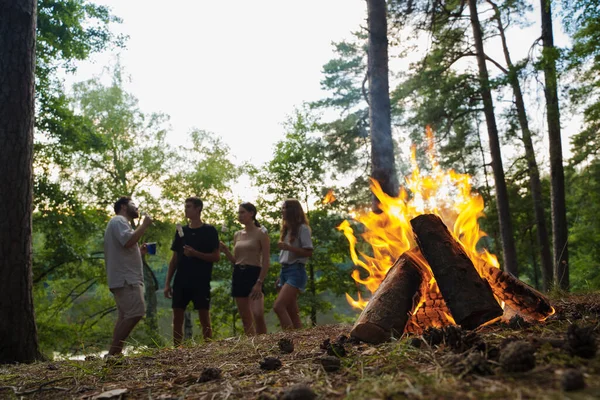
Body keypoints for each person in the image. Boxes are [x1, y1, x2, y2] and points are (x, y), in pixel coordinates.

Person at [164, 197, 219, 345]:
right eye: (185, 206)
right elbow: (174, 259)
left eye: (189, 207)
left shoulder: (209, 231)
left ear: (198, 209)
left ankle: (208, 347)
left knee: (204, 317)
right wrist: (168, 283)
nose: (185, 209)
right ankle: (177, 349)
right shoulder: (181, 231)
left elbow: (216, 256)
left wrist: (195, 254)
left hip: (200, 280)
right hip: (181, 280)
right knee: (177, 317)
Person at [104, 196, 152, 356]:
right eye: (133, 204)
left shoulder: (119, 223)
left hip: (123, 278)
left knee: (124, 315)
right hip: (126, 279)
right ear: (123, 206)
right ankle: (112, 354)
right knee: (136, 312)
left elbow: (125, 247)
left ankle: (115, 355)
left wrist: (140, 252)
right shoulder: (118, 221)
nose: (137, 208)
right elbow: (128, 241)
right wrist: (144, 225)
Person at [219, 202, 270, 335]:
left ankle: (264, 342)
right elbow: (235, 260)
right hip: (239, 274)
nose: (239, 215)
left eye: (242, 212)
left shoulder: (261, 233)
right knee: (246, 318)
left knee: (258, 313)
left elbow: (266, 260)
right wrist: (225, 250)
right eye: (239, 213)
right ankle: (252, 345)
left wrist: (259, 282)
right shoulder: (237, 234)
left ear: (251, 213)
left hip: (254, 274)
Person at [273, 199, 313, 330]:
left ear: (293, 211)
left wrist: (289, 248)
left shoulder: (303, 229)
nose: (282, 211)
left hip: (296, 271)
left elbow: (309, 252)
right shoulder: (286, 230)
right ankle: (300, 341)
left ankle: (288, 339)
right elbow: (285, 257)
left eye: (285, 208)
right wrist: (281, 275)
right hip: (285, 271)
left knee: (278, 307)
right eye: (282, 208)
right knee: (292, 312)